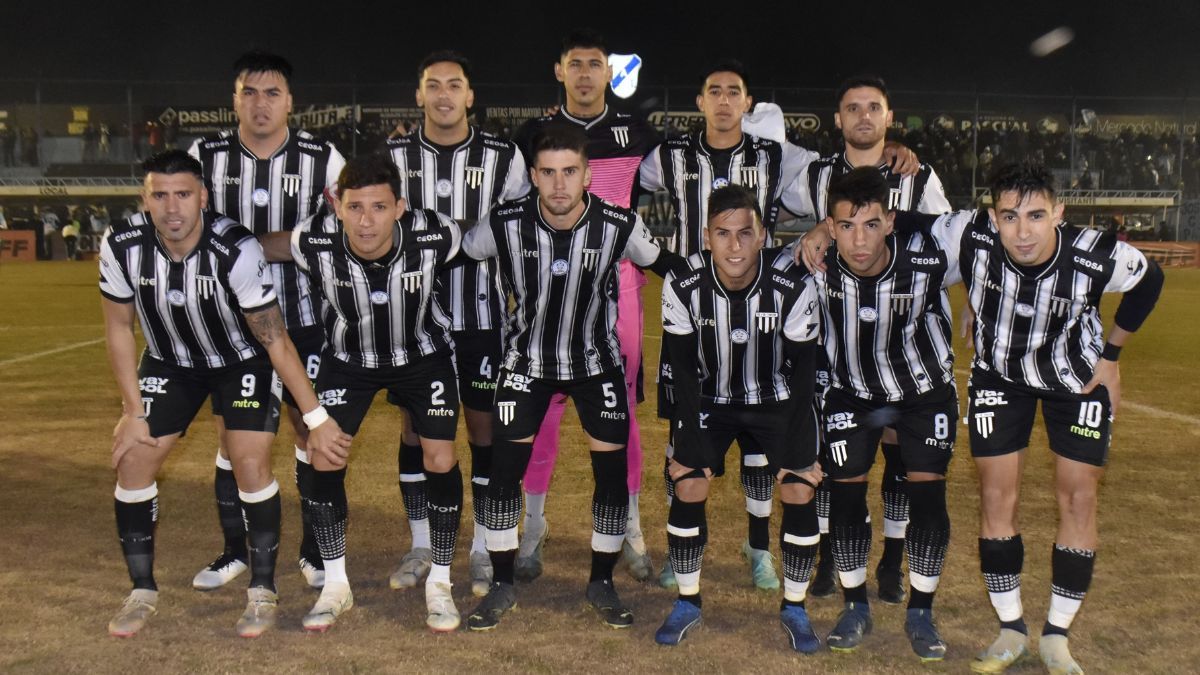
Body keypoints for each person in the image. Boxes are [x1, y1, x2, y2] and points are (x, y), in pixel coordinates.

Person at [642, 61, 920, 591]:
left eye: (734, 93)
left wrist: (890, 151)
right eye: (713, 91)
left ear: (747, 104)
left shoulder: (776, 155)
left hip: (758, 304)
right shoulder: (671, 155)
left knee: (757, 445)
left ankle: (758, 547)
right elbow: (621, 173)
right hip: (696, 307)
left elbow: (842, 175)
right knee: (684, 434)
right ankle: (680, 549)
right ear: (698, 101)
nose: (724, 101)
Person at [98, 150, 348, 638]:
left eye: (184, 195)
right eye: (161, 195)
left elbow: (274, 338)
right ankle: (142, 589)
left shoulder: (235, 247)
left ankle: (261, 589)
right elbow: (118, 329)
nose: (173, 208)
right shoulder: (122, 242)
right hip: (172, 361)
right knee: (133, 458)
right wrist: (133, 411)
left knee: (250, 461)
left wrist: (315, 418)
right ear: (145, 198)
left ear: (203, 198)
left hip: (240, 360)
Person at [461, 125, 682, 632]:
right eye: (548, 173)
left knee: (609, 478)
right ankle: (501, 584)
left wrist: (726, 279)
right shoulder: (503, 223)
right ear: (533, 176)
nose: (559, 184)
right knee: (501, 478)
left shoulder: (619, 224)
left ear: (586, 175)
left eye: (569, 172)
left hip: (595, 364)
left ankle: (601, 581)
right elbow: (456, 253)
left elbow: (665, 262)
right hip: (526, 365)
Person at [959, 163, 1162, 674]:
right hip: (999, 376)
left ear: (1059, 213)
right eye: (1009, 216)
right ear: (992, 216)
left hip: (1077, 381)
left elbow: (1150, 280)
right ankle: (1010, 629)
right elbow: (897, 224)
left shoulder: (1095, 252)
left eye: (1035, 215)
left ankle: (1056, 636)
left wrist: (1111, 357)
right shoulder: (968, 234)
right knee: (994, 496)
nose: (1022, 231)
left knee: (1078, 497)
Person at [783, 75, 952, 603]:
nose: (862, 116)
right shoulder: (813, 176)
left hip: (905, 346)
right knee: (840, 466)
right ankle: (835, 556)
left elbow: (947, 243)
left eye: (872, 108)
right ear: (837, 119)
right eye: (851, 108)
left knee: (902, 464)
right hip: (841, 352)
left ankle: (892, 564)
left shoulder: (917, 176)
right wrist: (811, 230)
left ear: (888, 116)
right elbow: (769, 214)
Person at [285, 153, 465, 632]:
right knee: (325, 456)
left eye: (379, 207)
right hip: (349, 362)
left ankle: (440, 582)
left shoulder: (436, 234)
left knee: (440, 458)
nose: (367, 221)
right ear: (336, 206)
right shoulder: (312, 240)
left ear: (400, 207)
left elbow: (485, 238)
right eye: (355, 207)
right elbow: (262, 249)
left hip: (423, 357)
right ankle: (336, 584)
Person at [188, 50, 345, 592]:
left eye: (272, 93)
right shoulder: (204, 155)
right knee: (234, 436)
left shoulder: (322, 157)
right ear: (234, 100)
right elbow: (185, 225)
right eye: (249, 92)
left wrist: (262, 245)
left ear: (290, 102)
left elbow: (342, 229)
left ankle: (312, 549)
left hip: (305, 318)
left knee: (311, 427)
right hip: (227, 324)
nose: (260, 103)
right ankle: (234, 550)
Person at [510, 29, 662, 582]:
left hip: (618, 287)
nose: (584, 73)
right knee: (539, 407)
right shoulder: (534, 132)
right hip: (548, 289)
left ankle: (630, 526)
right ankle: (532, 527)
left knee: (620, 409)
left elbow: (698, 167)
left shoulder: (637, 131)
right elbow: (507, 203)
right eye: (574, 64)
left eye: (594, 64)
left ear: (607, 72)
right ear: (560, 70)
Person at [794, 167, 964, 660]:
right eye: (845, 226)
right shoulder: (813, 265)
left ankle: (921, 611)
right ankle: (854, 605)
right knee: (846, 497)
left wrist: (977, 296)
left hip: (923, 391)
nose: (858, 239)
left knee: (928, 497)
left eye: (870, 224)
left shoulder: (929, 256)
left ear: (891, 222)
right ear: (829, 226)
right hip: (850, 393)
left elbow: (990, 234)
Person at [382, 50, 529, 598]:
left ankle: (486, 547)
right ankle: (422, 543)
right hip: (413, 322)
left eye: (455, 85)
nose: (444, 94)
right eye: (432, 85)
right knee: (416, 432)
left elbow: (518, 226)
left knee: (483, 429)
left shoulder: (502, 155)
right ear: (418, 95)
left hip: (483, 318)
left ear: (471, 96)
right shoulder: (393, 153)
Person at [654, 185, 823, 651]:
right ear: (706, 237)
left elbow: (805, 377)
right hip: (710, 398)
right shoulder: (683, 284)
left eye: (744, 234)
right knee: (687, 481)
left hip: (778, 399)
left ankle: (795, 607)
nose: (734, 246)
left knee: (797, 486)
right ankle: (688, 601)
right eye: (723, 234)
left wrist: (803, 450)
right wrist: (689, 444)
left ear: (763, 236)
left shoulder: (792, 287)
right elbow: (684, 372)